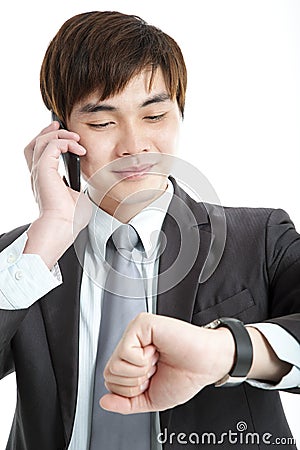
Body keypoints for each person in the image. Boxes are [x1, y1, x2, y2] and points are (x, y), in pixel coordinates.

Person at [0, 10, 299, 450]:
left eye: (155, 116)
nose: (133, 146)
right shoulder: (21, 260)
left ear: (181, 112)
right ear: (60, 132)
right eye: (102, 123)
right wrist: (45, 240)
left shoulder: (260, 236)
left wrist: (227, 351)